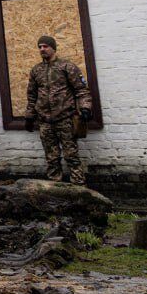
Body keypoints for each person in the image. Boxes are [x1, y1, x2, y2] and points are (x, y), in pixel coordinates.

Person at [25, 35, 94, 185]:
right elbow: (31, 95)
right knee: (51, 158)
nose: (42, 49)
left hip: (65, 120)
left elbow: (82, 91)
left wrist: (85, 108)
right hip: (45, 122)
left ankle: (80, 190)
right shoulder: (36, 71)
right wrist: (29, 116)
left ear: (53, 48)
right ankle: (55, 190)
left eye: (45, 46)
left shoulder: (67, 67)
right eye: (40, 46)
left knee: (71, 156)